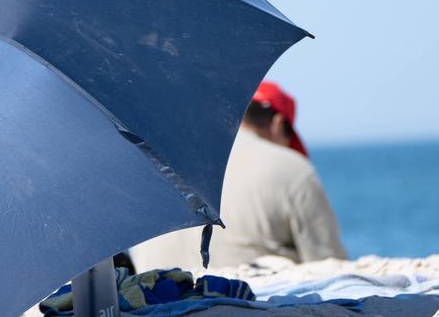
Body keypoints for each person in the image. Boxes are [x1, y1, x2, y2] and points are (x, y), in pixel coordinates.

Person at [128, 81, 348, 270]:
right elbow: (331, 265)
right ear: (278, 124)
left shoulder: (161, 162)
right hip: (250, 298)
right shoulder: (292, 167)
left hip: (159, 295)